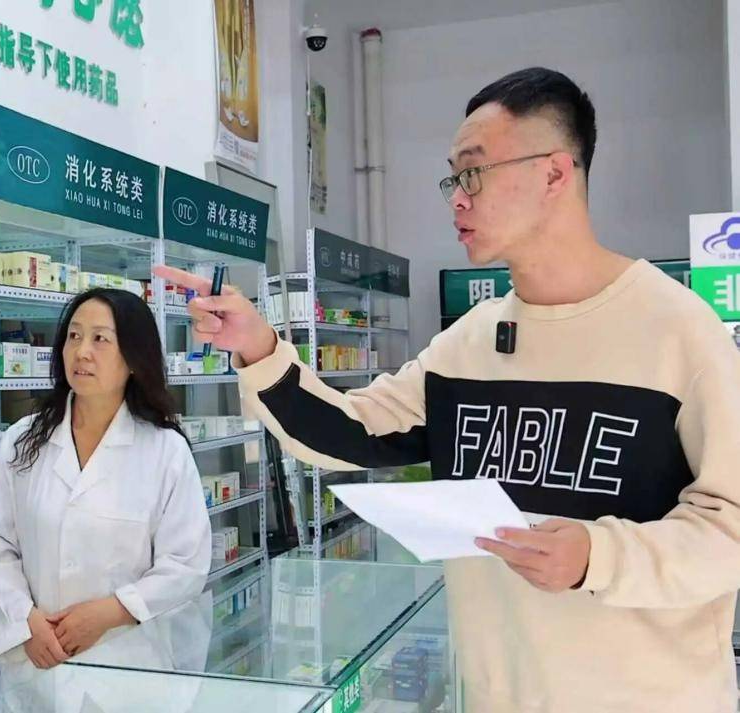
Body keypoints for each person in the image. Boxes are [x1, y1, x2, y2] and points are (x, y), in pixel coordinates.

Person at [158, 67, 740, 712]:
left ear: (554, 173)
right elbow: (351, 431)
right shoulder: (470, 342)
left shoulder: (679, 332)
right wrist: (259, 347)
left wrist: (596, 556)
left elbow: (730, 531)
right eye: (452, 179)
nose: (457, 199)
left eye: (473, 172)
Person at [0, 288, 212, 670]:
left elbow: (186, 564)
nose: (82, 351)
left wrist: (112, 612)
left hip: (132, 666)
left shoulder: (165, 451)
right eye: (74, 336)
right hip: (40, 666)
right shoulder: (22, 440)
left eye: (100, 338)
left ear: (133, 358)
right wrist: (25, 622)